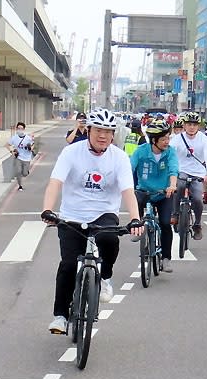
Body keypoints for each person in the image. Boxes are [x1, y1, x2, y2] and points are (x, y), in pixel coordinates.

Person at [41, 108, 144, 334]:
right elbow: (55, 182)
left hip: (103, 213)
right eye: (98, 130)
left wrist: (135, 219)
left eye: (108, 132)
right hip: (72, 215)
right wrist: (47, 210)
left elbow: (128, 190)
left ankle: (105, 277)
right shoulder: (71, 152)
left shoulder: (118, 157)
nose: (103, 136)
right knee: (68, 264)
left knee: (109, 239)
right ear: (88, 130)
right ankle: (60, 316)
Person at [131, 120, 178, 273]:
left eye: (168, 138)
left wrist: (172, 185)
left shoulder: (170, 152)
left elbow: (173, 170)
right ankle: (137, 229)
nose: (167, 142)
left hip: (164, 193)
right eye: (163, 139)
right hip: (144, 191)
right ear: (154, 140)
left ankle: (166, 259)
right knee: (135, 203)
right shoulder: (140, 151)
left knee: (165, 224)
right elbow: (129, 168)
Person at [169, 111, 207, 240]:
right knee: (180, 186)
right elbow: (170, 156)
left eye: (194, 124)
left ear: (198, 126)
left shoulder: (204, 139)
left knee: (198, 199)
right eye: (189, 124)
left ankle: (197, 224)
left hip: (198, 172)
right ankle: (175, 213)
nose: (191, 127)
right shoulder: (176, 139)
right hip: (181, 170)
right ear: (184, 125)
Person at [5, 122, 34, 191]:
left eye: (21, 128)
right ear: (16, 129)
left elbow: (33, 145)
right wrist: (12, 151)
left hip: (27, 158)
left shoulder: (28, 138)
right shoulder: (14, 138)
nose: (19, 130)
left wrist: (30, 148)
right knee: (18, 172)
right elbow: (7, 145)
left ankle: (26, 172)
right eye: (18, 128)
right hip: (18, 157)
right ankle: (20, 185)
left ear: (24, 129)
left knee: (24, 173)